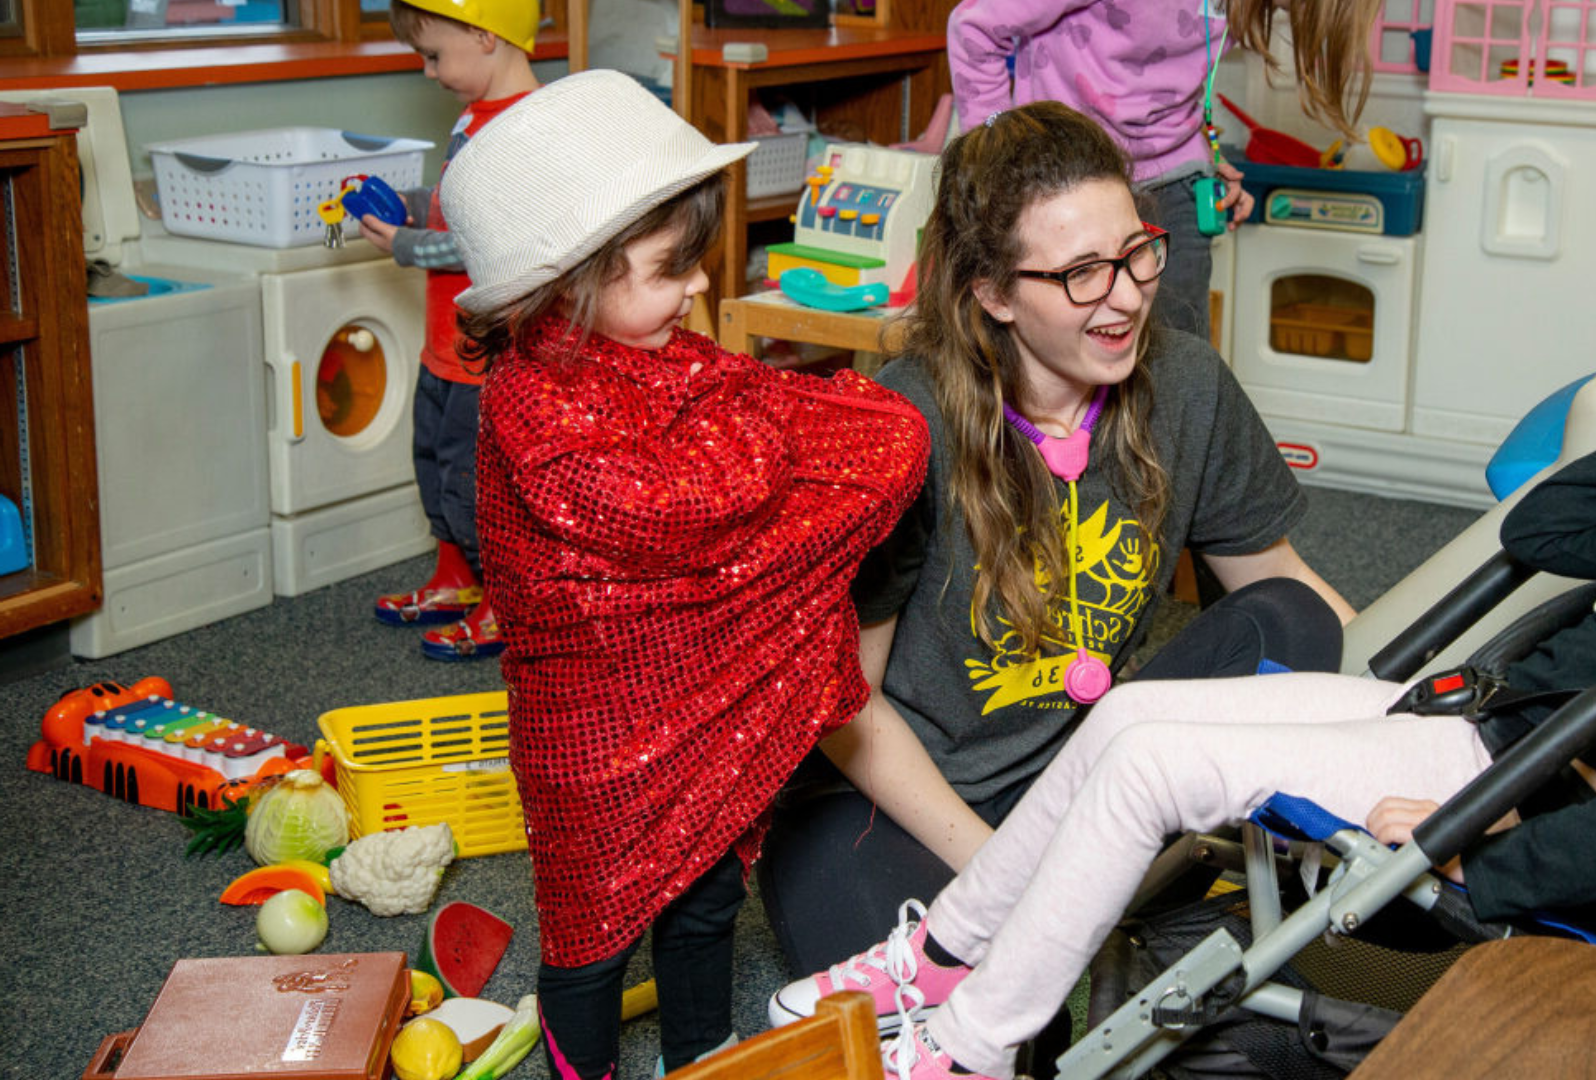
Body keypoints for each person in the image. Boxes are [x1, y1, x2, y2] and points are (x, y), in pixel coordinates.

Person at [769, 215, 1596, 1078]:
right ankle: (948, 952)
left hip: (1498, 787)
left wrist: (1482, 855)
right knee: (1124, 713)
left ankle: (972, 1043)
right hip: (1462, 724)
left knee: (1152, 769)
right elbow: (1539, 528)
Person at [758, 101, 1355, 1004]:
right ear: (993, 292)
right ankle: (1088, 898)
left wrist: (1419, 712)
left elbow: (1277, 584)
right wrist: (1004, 874)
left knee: (1293, 624)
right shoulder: (900, 427)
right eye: (1080, 273)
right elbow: (847, 705)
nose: (1124, 295)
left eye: (1135, 253)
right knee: (935, 1024)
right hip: (896, 795)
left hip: (1077, 772)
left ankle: (1103, 884)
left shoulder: (1186, 381)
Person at [437, 71, 929, 1079]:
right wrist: (762, 462)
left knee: (707, 900)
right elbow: (667, 509)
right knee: (590, 938)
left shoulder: (674, 360)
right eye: (673, 270)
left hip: (713, 699)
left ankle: (702, 1060)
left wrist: (754, 461)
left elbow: (868, 430)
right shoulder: (529, 406)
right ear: (569, 282)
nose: (701, 289)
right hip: (591, 732)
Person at [947, 0, 1383, 339]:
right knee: (1070, 350)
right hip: (1067, 185)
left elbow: (1159, 88)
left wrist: (1207, 158)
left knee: (1181, 364)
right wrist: (1000, 161)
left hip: (1176, 183)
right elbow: (974, 29)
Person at [361, 0, 541, 660]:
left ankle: (503, 601)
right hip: (444, 344)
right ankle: (455, 577)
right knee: (434, 462)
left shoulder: (522, 129)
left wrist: (406, 244)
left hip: (488, 357)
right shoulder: (473, 116)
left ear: (484, 37)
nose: (429, 72)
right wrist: (403, 206)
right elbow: (453, 204)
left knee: (476, 485)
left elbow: (490, 241)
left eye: (434, 55)